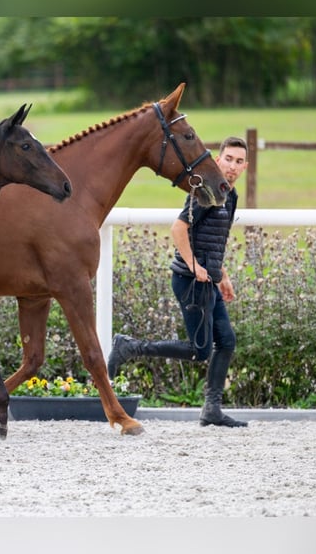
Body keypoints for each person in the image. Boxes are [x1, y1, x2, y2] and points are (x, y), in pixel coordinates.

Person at [108, 136, 249, 427]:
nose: (233, 166)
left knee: (226, 341)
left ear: (245, 166)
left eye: (239, 162)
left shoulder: (229, 195)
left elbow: (214, 239)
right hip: (190, 280)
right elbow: (178, 229)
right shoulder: (208, 191)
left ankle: (212, 409)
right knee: (200, 350)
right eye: (228, 159)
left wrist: (222, 275)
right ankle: (129, 347)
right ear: (218, 159)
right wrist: (194, 265)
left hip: (208, 281)